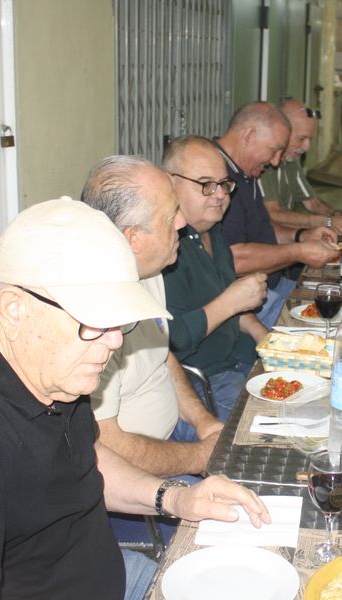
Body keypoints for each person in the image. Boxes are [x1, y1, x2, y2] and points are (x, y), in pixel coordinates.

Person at [0, 198, 270, 600]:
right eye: (97, 323)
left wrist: (175, 497)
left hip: (116, 573)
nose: (115, 342)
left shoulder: (48, 360)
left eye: (120, 323)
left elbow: (85, 458)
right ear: (13, 309)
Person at [80, 156, 227, 479]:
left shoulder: (150, 270)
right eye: (170, 216)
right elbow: (108, 445)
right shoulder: (96, 320)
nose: (182, 223)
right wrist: (198, 457)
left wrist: (204, 422)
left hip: (176, 437)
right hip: (135, 473)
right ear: (133, 239)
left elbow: (161, 355)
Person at [162, 136, 270, 420]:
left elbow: (229, 301)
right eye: (205, 184)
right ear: (170, 184)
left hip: (237, 359)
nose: (220, 194)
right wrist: (232, 301)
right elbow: (170, 341)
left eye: (224, 184)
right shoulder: (165, 248)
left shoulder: (213, 230)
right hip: (199, 383)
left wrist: (264, 336)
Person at [214, 101, 338, 327]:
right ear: (248, 136)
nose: (275, 161)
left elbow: (260, 229)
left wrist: (301, 235)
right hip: (248, 306)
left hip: (274, 285)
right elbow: (234, 259)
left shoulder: (246, 170)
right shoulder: (217, 176)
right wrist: (299, 252)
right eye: (273, 150)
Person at [259, 99, 342, 234]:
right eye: (301, 139)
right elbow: (272, 214)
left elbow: (313, 203)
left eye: (310, 139)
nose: (306, 147)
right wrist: (328, 222)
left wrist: (339, 215)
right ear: (281, 131)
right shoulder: (261, 164)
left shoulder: (290, 159)